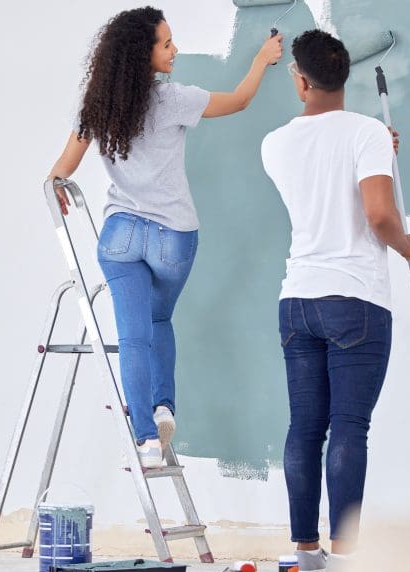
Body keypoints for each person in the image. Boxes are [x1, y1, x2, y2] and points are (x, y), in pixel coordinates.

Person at [47, 7, 283, 468]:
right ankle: (162, 408)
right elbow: (238, 101)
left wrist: (55, 188)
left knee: (133, 338)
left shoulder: (95, 107)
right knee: (159, 323)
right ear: (143, 54)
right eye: (167, 43)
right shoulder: (174, 99)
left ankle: (146, 442)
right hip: (171, 237)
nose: (175, 50)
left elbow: (62, 168)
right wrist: (262, 58)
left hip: (120, 237)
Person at [261, 30, 410, 572]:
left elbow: (319, 171)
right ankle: (347, 557)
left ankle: (306, 552)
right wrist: (407, 245)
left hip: (298, 299)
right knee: (349, 427)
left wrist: (373, 146)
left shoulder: (275, 143)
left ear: (300, 80)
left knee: (305, 427)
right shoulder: (367, 132)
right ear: (344, 77)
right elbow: (378, 216)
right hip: (355, 301)